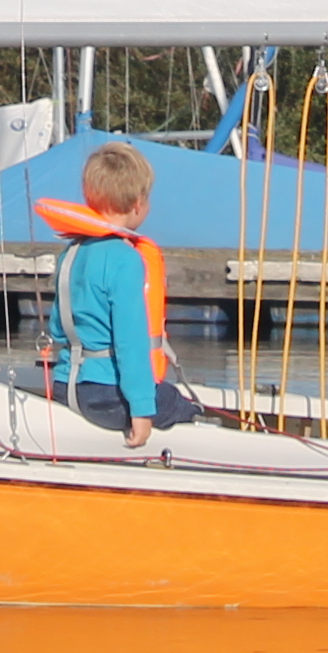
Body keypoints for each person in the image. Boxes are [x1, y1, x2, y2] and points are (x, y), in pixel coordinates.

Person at [37, 142, 204, 445]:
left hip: (65, 384)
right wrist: (141, 411)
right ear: (138, 203)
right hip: (105, 395)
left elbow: (58, 328)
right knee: (181, 405)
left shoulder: (71, 252)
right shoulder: (125, 259)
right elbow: (131, 342)